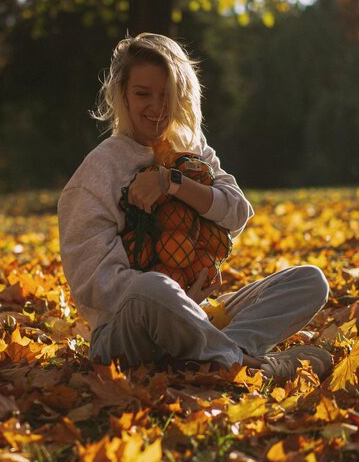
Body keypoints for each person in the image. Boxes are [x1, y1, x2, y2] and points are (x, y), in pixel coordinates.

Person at [58, 32, 332, 380]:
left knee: (309, 280)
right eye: (143, 94)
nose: (157, 108)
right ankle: (250, 366)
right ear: (122, 95)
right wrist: (176, 296)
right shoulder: (98, 171)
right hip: (124, 334)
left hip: (196, 312)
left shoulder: (190, 149)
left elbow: (237, 213)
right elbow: (91, 283)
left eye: (168, 96)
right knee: (153, 287)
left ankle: (207, 358)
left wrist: (171, 183)